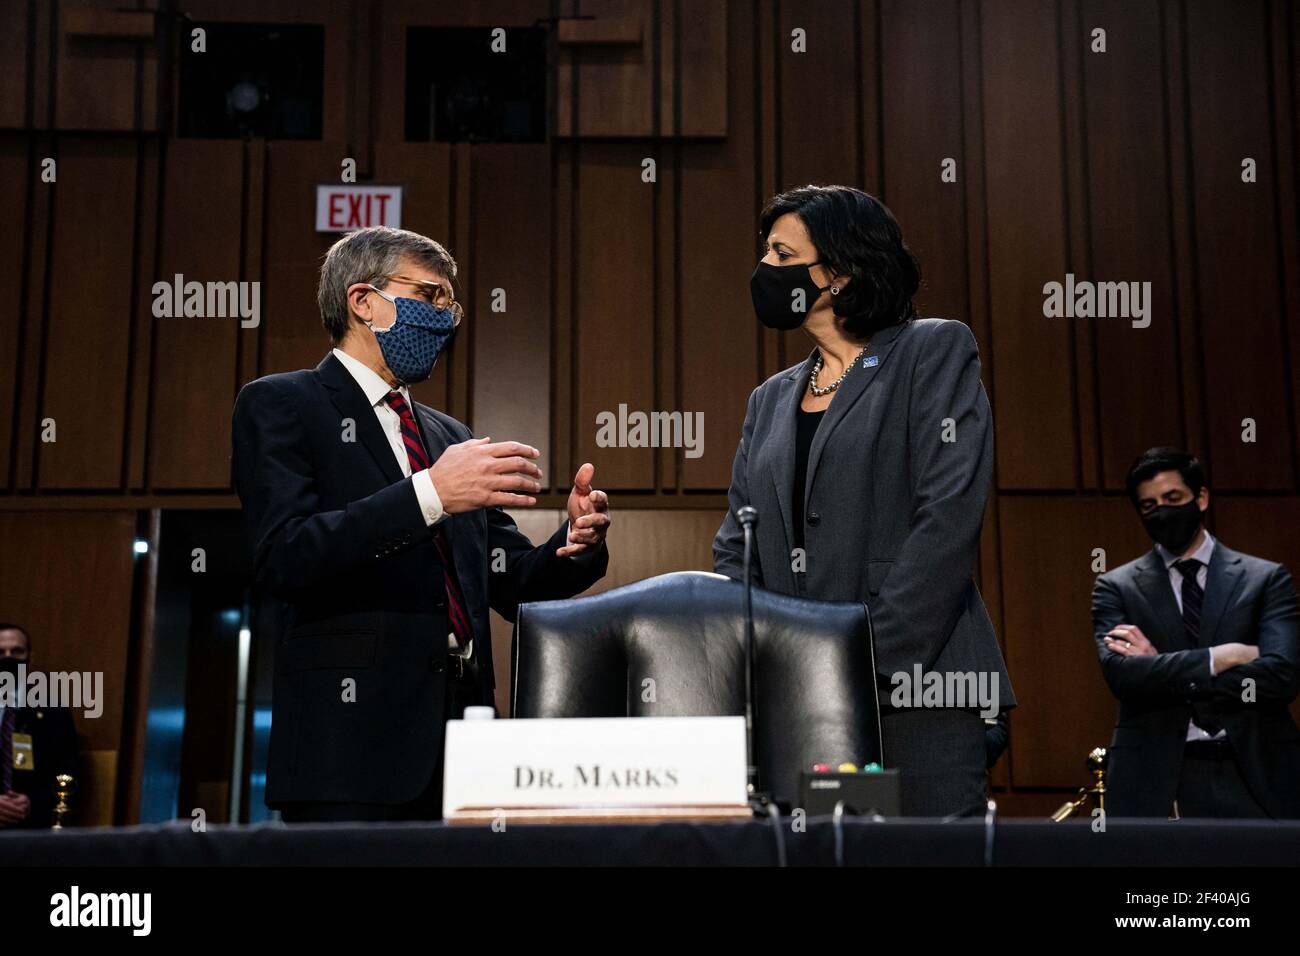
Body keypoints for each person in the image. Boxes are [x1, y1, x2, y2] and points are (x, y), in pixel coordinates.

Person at [233, 226, 611, 822]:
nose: (446, 316)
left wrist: (576, 541)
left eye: (450, 302)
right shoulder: (281, 403)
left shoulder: (448, 435)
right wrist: (429, 492)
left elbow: (509, 582)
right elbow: (286, 555)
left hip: (465, 738)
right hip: (349, 745)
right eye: (429, 295)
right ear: (364, 302)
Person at [714, 184, 1014, 816]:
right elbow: (737, 548)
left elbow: (947, 517)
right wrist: (766, 663)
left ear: (841, 273)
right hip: (800, 699)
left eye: (781, 253)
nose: (764, 271)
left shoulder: (933, 350)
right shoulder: (768, 399)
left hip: (916, 685)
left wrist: (858, 655)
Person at [1093, 447, 1300, 818]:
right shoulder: (1116, 586)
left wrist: (1161, 668)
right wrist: (1222, 658)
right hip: (1158, 777)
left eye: (1173, 498)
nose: (1163, 511)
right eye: (1149, 505)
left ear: (1201, 498)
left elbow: (1282, 676)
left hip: (1258, 770)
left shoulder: (1265, 579)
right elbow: (1123, 677)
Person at [0, 624, 79, 829]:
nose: (8, 657)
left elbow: (69, 774)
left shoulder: (54, 713)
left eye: (17, 651)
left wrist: (31, 803)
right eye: (1, 652)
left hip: (30, 829)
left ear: (30, 658)